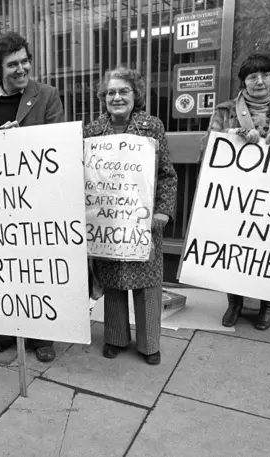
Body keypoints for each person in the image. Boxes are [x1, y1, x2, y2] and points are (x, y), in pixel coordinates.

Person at [200, 53, 270, 330]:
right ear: (243, 82)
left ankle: (267, 305)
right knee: (235, 245)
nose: (259, 81)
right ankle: (235, 303)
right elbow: (207, 146)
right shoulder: (225, 111)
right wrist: (234, 134)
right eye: (252, 76)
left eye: (265, 75)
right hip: (236, 196)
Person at [0, 31, 64, 363]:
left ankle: (41, 335)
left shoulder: (47, 95)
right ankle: (2, 333)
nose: (21, 68)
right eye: (13, 64)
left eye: (25, 61)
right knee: (3, 270)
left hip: (37, 204)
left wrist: (21, 140)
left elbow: (57, 148)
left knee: (35, 270)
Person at [84, 67, 177, 364]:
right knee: (113, 282)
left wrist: (163, 212)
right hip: (109, 222)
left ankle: (150, 345)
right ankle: (115, 338)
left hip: (143, 222)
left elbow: (166, 174)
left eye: (123, 91)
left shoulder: (152, 127)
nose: (117, 97)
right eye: (110, 92)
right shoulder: (92, 131)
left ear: (135, 94)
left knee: (147, 285)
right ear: (103, 98)